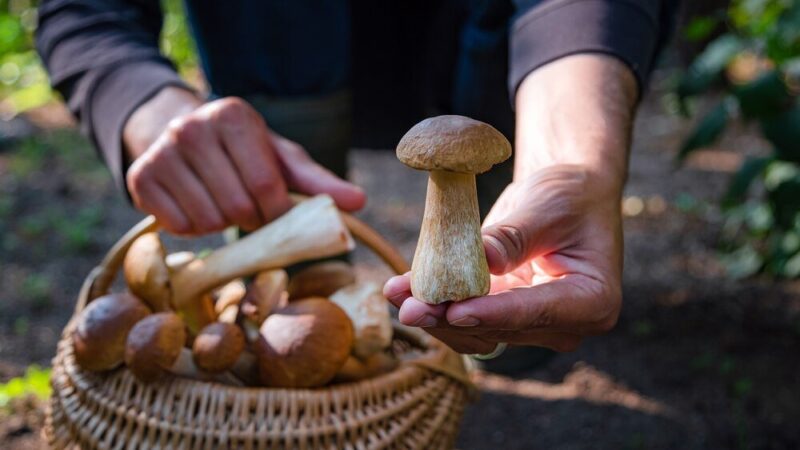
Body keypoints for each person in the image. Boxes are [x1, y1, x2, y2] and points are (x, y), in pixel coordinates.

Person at [36, 0, 679, 358]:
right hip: (272, 50)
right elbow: (83, 10)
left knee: (504, 330)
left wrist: (571, 161)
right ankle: (294, 294)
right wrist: (147, 106)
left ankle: (522, 276)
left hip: (497, 59)